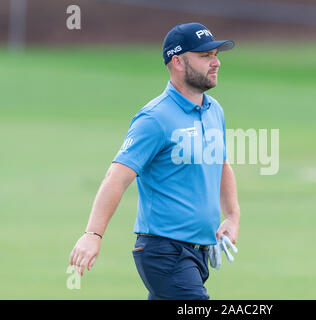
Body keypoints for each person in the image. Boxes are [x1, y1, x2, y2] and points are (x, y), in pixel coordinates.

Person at [69, 22, 240, 300]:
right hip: (165, 253)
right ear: (178, 62)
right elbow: (117, 178)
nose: (216, 62)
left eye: (216, 55)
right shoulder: (154, 118)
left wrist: (232, 216)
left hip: (198, 254)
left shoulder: (214, 110)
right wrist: (93, 235)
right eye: (205, 56)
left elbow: (221, 164)